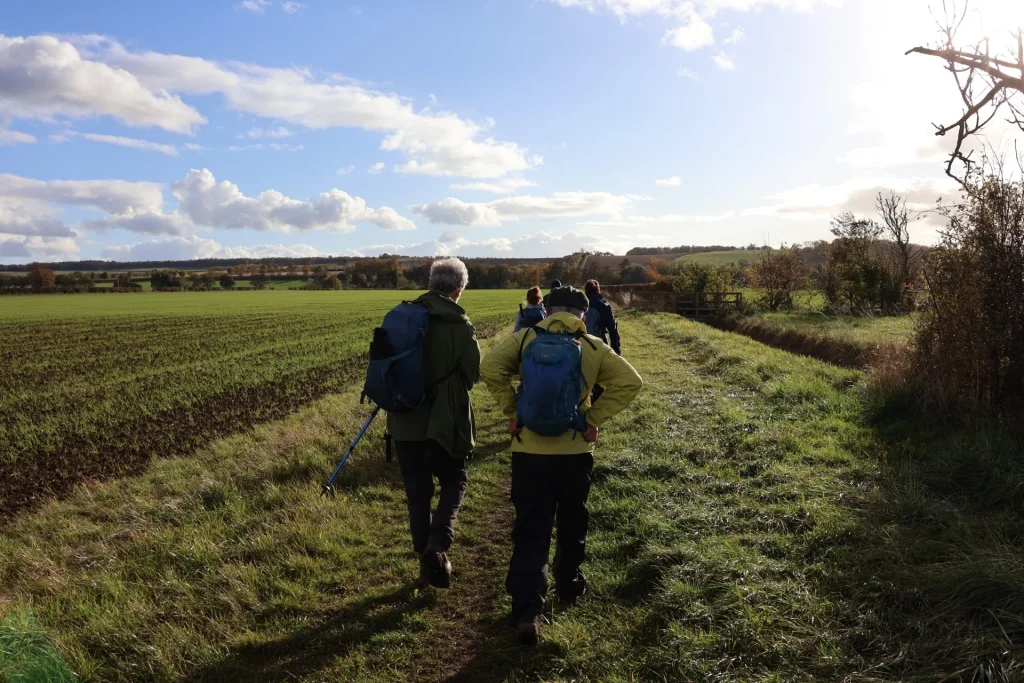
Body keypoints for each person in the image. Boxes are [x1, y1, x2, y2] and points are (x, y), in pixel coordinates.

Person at [480, 286, 643, 645]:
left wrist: (513, 411)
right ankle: (568, 584)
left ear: (549, 309)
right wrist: (592, 419)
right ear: (583, 315)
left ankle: (526, 610)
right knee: (572, 519)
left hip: (529, 451)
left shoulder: (525, 338)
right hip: (573, 454)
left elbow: (490, 366)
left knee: (530, 529)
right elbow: (631, 381)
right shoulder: (593, 345)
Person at [388, 257, 481, 590]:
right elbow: (471, 375)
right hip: (445, 422)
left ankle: (427, 566)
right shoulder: (459, 323)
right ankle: (438, 545)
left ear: (431, 284)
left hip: (403, 423)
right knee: (454, 481)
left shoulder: (403, 316)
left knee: (417, 494)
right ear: (459, 289)